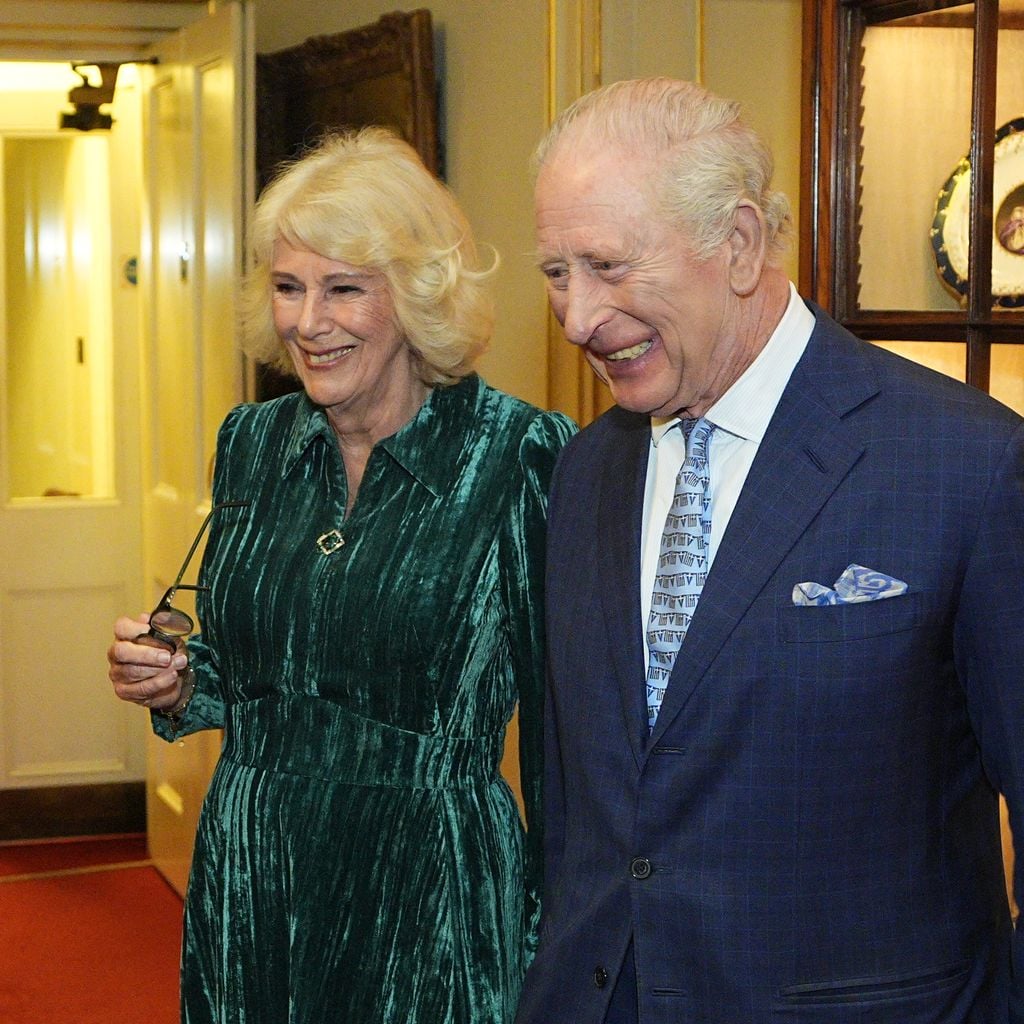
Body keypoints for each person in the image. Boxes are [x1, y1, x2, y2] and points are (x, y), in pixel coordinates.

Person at [516, 77, 1024, 1024]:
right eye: (555, 272)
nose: (578, 316)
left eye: (609, 266)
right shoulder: (585, 471)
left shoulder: (965, 465)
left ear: (740, 245)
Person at [107, 126, 576, 1023]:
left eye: (343, 289)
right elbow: (263, 671)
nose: (307, 322)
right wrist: (175, 681)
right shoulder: (251, 443)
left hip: (426, 881)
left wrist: (548, 932)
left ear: (415, 296)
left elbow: (564, 731)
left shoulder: (518, 456)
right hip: (253, 874)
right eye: (288, 287)